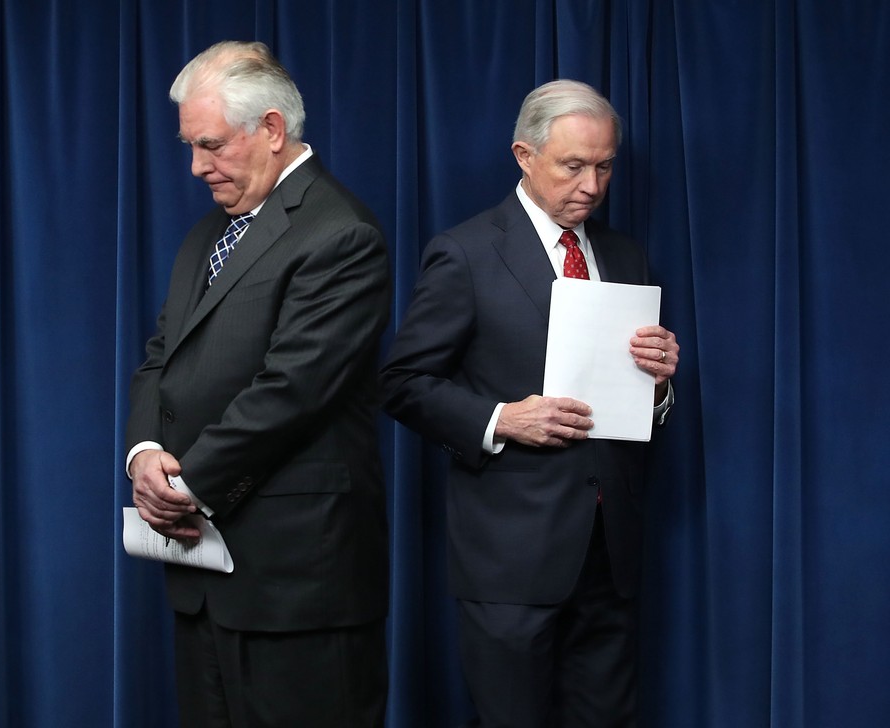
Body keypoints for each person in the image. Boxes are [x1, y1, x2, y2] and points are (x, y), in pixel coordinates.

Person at [380, 79, 679, 727]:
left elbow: (638, 402)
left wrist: (658, 384)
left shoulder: (625, 254)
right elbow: (402, 382)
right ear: (524, 155)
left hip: (609, 555)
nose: (592, 186)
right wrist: (501, 419)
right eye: (573, 166)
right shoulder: (465, 253)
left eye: (604, 167)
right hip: (508, 558)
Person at [125, 41, 390, 728]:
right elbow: (161, 356)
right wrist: (144, 454)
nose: (196, 166)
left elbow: (292, 390)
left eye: (210, 145)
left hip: (298, 584)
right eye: (190, 146)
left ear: (271, 129)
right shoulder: (208, 234)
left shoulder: (341, 233)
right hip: (202, 575)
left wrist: (183, 488)